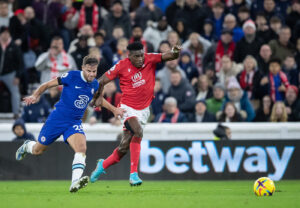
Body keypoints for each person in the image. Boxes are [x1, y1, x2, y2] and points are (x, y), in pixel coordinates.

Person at [15, 55, 124, 193]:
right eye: (89, 71)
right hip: (57, 119)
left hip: (74, 122)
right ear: (83, 68)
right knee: (38, 150)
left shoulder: (95, 84)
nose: (91, 74)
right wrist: (35, 96)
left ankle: (74, 183)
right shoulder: (71, 76)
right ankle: (27, 146)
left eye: (94, 71)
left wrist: (114, 109)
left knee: (81, 148)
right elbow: (47, 85)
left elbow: (98, 100)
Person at [90, 42, 181, 186]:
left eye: (141, 55)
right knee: (138, 131)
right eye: (137, 56)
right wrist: (98, 97)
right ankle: (133, 175)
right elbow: (101, 80)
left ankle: (103, 165)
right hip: (127, 108)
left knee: (123, 147)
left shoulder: (150, 58)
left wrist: (175, 50)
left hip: (144, 110)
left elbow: (170, 56)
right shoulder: (121, 66)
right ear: (129, 56)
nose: (140, 59)